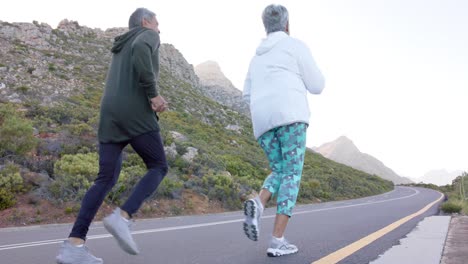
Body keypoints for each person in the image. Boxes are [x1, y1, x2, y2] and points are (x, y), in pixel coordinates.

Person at [56, 7, 168, 264]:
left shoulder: (120, 46)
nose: (159, 29)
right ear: (145, 21)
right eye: (157, 23)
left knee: (104, 179)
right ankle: (124, 217)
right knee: (159, 166)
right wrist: (153, 94)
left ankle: (74, 245)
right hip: (134, 112)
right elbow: (143, 50)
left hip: (109, 115)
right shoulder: (147, 36)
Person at [242, 4, 325, 257]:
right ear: (287, 25)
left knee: (280, 170)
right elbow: (318, 85)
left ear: (265, 26)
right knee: (292, 175)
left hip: (262, 122)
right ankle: (277, 240)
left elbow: (247, 94)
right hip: (291, 116)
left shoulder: (256, 57)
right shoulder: (294, 46)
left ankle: (259, 201)